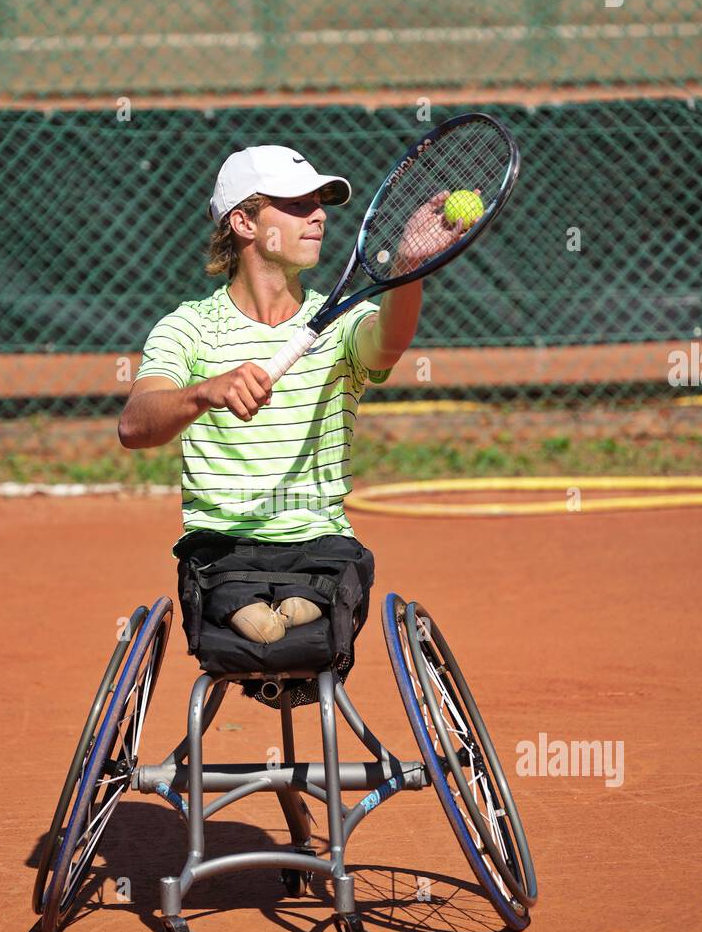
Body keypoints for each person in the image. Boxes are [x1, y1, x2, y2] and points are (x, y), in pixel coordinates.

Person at [118, 143, 455, 646]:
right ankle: (267, 614)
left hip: (322, 548)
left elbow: (386, 345)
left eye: (318, 203)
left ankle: (287, 613)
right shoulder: (187, 328)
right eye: (297, 205)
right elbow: (135, 425)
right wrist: (205, 392)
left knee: (342, 574)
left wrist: (409, 267)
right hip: (223, 552)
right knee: (226, 591)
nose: (318, 216)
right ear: (244, 223)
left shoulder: (341, 323)